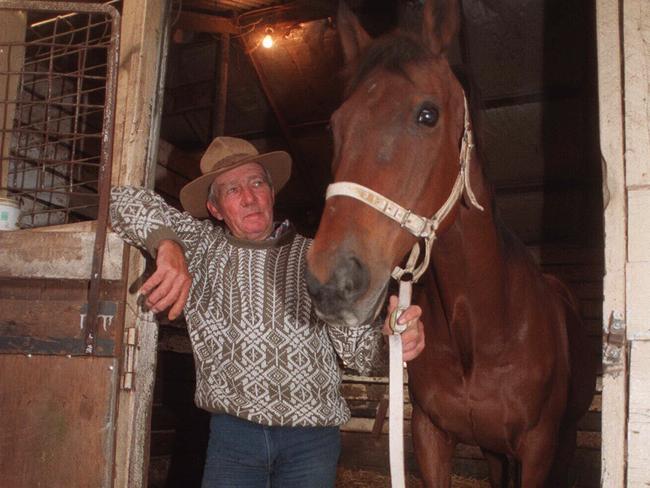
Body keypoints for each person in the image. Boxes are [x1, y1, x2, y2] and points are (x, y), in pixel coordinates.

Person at [109, 136, 425, 488]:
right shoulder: (201, 247)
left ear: (272, 193)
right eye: (232, 190)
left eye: (257, 183)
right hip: (234, 438)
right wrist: (166, 244)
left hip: (311, 440)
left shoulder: (319, 257)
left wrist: (392, 340)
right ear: (215, 209)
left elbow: (362, 356)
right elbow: (121, 201)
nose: (248, 197)